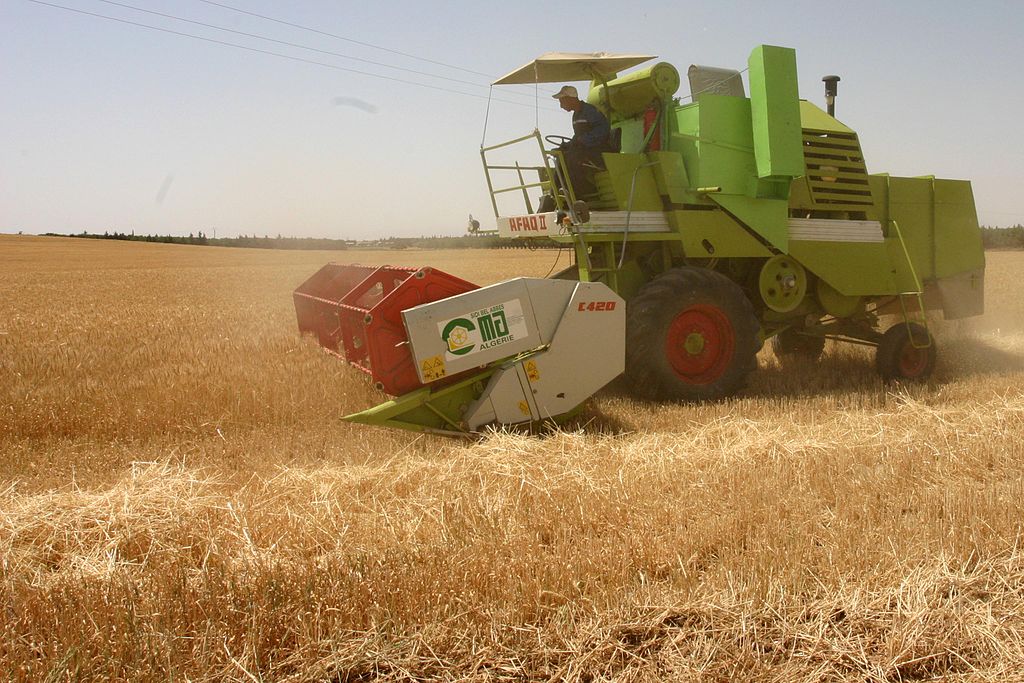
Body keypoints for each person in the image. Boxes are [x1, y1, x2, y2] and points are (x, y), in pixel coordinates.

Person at [551, 85, 613, 196]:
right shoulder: (576, 114)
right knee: (560, 155)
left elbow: (603, 130)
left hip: (599, 150)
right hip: (586, 149)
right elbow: (578, 136)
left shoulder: (590, 111)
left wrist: (583, 141)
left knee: (574, 156)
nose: (561, 106)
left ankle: (578, 191)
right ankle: (555, 193)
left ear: (571, 99)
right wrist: (567, 145)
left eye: (562, 101)